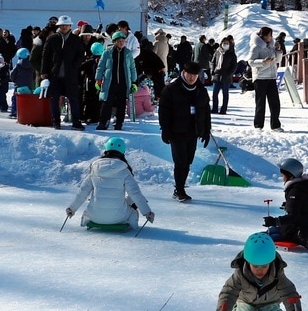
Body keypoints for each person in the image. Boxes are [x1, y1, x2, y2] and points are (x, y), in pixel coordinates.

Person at [214, 233, 303, 311]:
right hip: (246, 302)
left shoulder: (277, 272)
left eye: (264, 266)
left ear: (271, 262)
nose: (259, 270)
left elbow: (288, 292)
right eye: (255, 266)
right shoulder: (241, 273)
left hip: (269, 303)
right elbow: (229, 291)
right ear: (248, 262)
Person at [64, 136, 154, 228]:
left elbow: (82, 192)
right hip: (118, 218)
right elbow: (135, 194)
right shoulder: (124, 170)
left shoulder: (95, 169)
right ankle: (131, 222)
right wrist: (147, 212)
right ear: (122, 151)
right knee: (131, 202)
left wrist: (72, 208)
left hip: (95, 217)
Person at [158, 60, 211, 202]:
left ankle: (180, 186)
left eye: (195, 75)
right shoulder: (171, 89)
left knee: (188, 161)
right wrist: (165, 129)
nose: (192, 78)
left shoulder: (201, 90)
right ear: (184, 72)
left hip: (193, 131)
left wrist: (206, 130)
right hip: (176, 131)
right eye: (190, 74)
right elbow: (163, 111)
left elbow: (205, 111)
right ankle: (179, 189)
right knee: (180, 161)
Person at [263, 157, 308, 250]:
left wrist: (274, 221)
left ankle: (303, 239)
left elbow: (293, 217)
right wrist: (289, 204)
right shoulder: (305, 186)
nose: (282, 178)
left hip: (298, 229)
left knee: (265, 236)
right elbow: (304, 206)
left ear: (291, 176)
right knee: (273, 231)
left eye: (283, 175)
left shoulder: (295, 191)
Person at [41, 16, 86, 130]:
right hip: (54, 75)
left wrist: (74, 66)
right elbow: (45, 56)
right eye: (62, 25)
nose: (64, 27)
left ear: (70, 26)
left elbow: (81, 55)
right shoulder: (52, 38)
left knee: (74, 99)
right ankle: (56, 121)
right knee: (54, 99)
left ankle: (76, 122)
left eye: (66, 25)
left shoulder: (75, 39)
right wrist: (44, 71)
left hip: (70, 75)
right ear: (59, 26)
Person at [95, 31, 137, 130]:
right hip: (110, 82)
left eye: (123, 41)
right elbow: (100, 67)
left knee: (121, 104)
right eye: (119, 41)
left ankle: (119, 123)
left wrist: (134, 82)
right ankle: (103, 122)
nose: (121, 42)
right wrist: (98, 79)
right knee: (106, 103)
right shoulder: (107, 52)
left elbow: (132, 68)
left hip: (123, 83)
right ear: (114, 42)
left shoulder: (128, 53)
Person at [248, 26, 282, 131]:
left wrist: (278, 51)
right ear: (264, 35)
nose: (271, 37)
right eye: (270, 35)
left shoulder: (271, 46)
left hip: (271, 77)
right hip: (260, 77)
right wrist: (263, 61)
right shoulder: (256, 47)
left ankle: (275, 125)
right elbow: (251, 62)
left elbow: (277, 60)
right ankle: (258, 125)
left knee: (275, 102)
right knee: (260, 103)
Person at [210, 35, 237, 115]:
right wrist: (213, 70)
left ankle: (223, 109)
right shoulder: (217, 51)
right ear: (221, 43)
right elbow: (213, 62)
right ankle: (214, 108)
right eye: (224, 43)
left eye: (227, 43)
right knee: (215, 93)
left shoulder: (232, 54)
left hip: (226, 76)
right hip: (217, 75)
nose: (225, 44)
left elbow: (234, 66)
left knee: (225, 94)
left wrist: (229, 73)